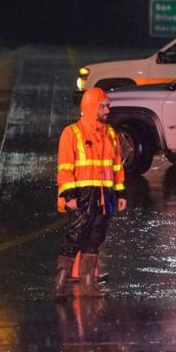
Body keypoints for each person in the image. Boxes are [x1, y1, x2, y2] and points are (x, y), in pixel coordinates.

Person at [54, 87, 127, 298]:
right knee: (74, 238)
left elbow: (116, 167)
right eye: (104, 106)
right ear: (93, 107)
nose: (108, 109)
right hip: (83, 196)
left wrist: (120, 194)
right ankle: (60, 285)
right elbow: (65, 168)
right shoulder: (72, 133)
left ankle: (88, 285)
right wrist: (69, 196)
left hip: (105, 197)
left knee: (95, 239)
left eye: (107, 105)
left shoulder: (110, 134)